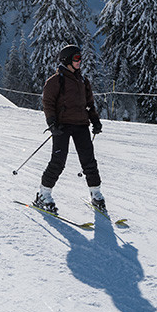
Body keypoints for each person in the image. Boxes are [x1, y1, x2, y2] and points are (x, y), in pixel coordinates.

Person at [34, 44, 105, 215]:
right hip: (62, 126)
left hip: (81, 125)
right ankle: (43, 195)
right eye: (76, 58)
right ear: (67, 60)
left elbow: (89, 104)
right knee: (58, 162)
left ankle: (96, 194)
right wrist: (52, 122)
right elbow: (48, 103)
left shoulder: (83, 81)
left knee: (89, 161)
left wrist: (95, 120)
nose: (80, 61)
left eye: (80, 58)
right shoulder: (55, 81)